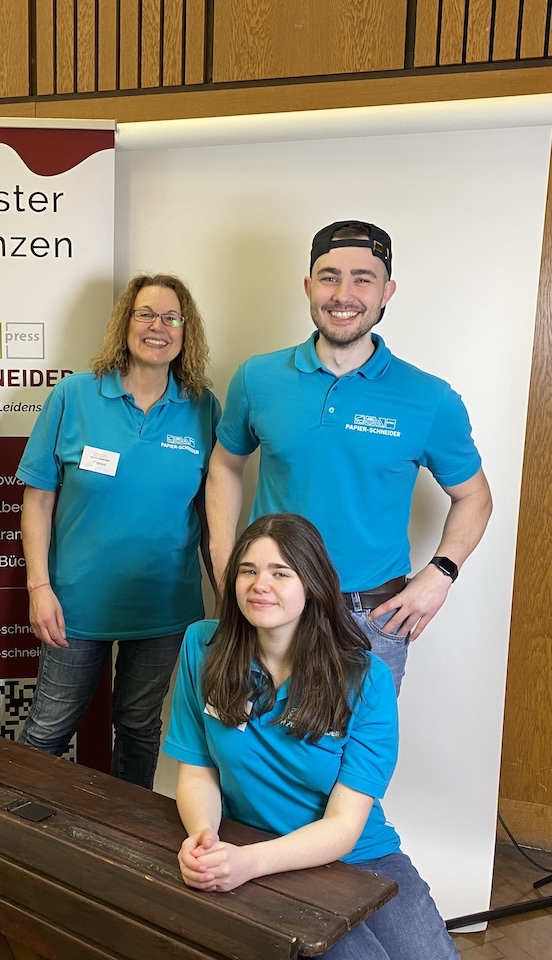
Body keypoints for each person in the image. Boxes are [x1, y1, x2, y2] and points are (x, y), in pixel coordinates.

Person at [206, 220, 492, 692]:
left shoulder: (429, 398)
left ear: (387, 292)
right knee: (255, 755)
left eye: (363, 278)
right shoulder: (257, 379)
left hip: (370, 620)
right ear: (308, 286)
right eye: (329, 276)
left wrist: (440, 575)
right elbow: (224, 465)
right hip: (267, 603)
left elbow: (475, 497)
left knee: (355, 763)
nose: (344, 294)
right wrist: (222, 562)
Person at [164, 513, 458, 960]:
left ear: (313, 584)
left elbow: (343, 825)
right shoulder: (202, 647)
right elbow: (198, 769)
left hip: (358, 856)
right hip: (252, 845)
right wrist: (206, 839)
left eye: (281, 572)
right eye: (248, 570)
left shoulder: (367, 680)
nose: (260, 584)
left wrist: (249, 864)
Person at [15, 273, 220, 789]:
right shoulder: (75, 395)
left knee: (138, 728)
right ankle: (14, 844)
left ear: (185, 330)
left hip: (163, 607)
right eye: (145, 314)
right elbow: (38, 498)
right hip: (75, 603)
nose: (158, 327)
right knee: (47, 729)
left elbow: (214, 510)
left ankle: (122, 844)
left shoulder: (203, 408)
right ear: (125, 324)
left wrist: (228, 601)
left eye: (171, 317)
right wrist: (39, 587)